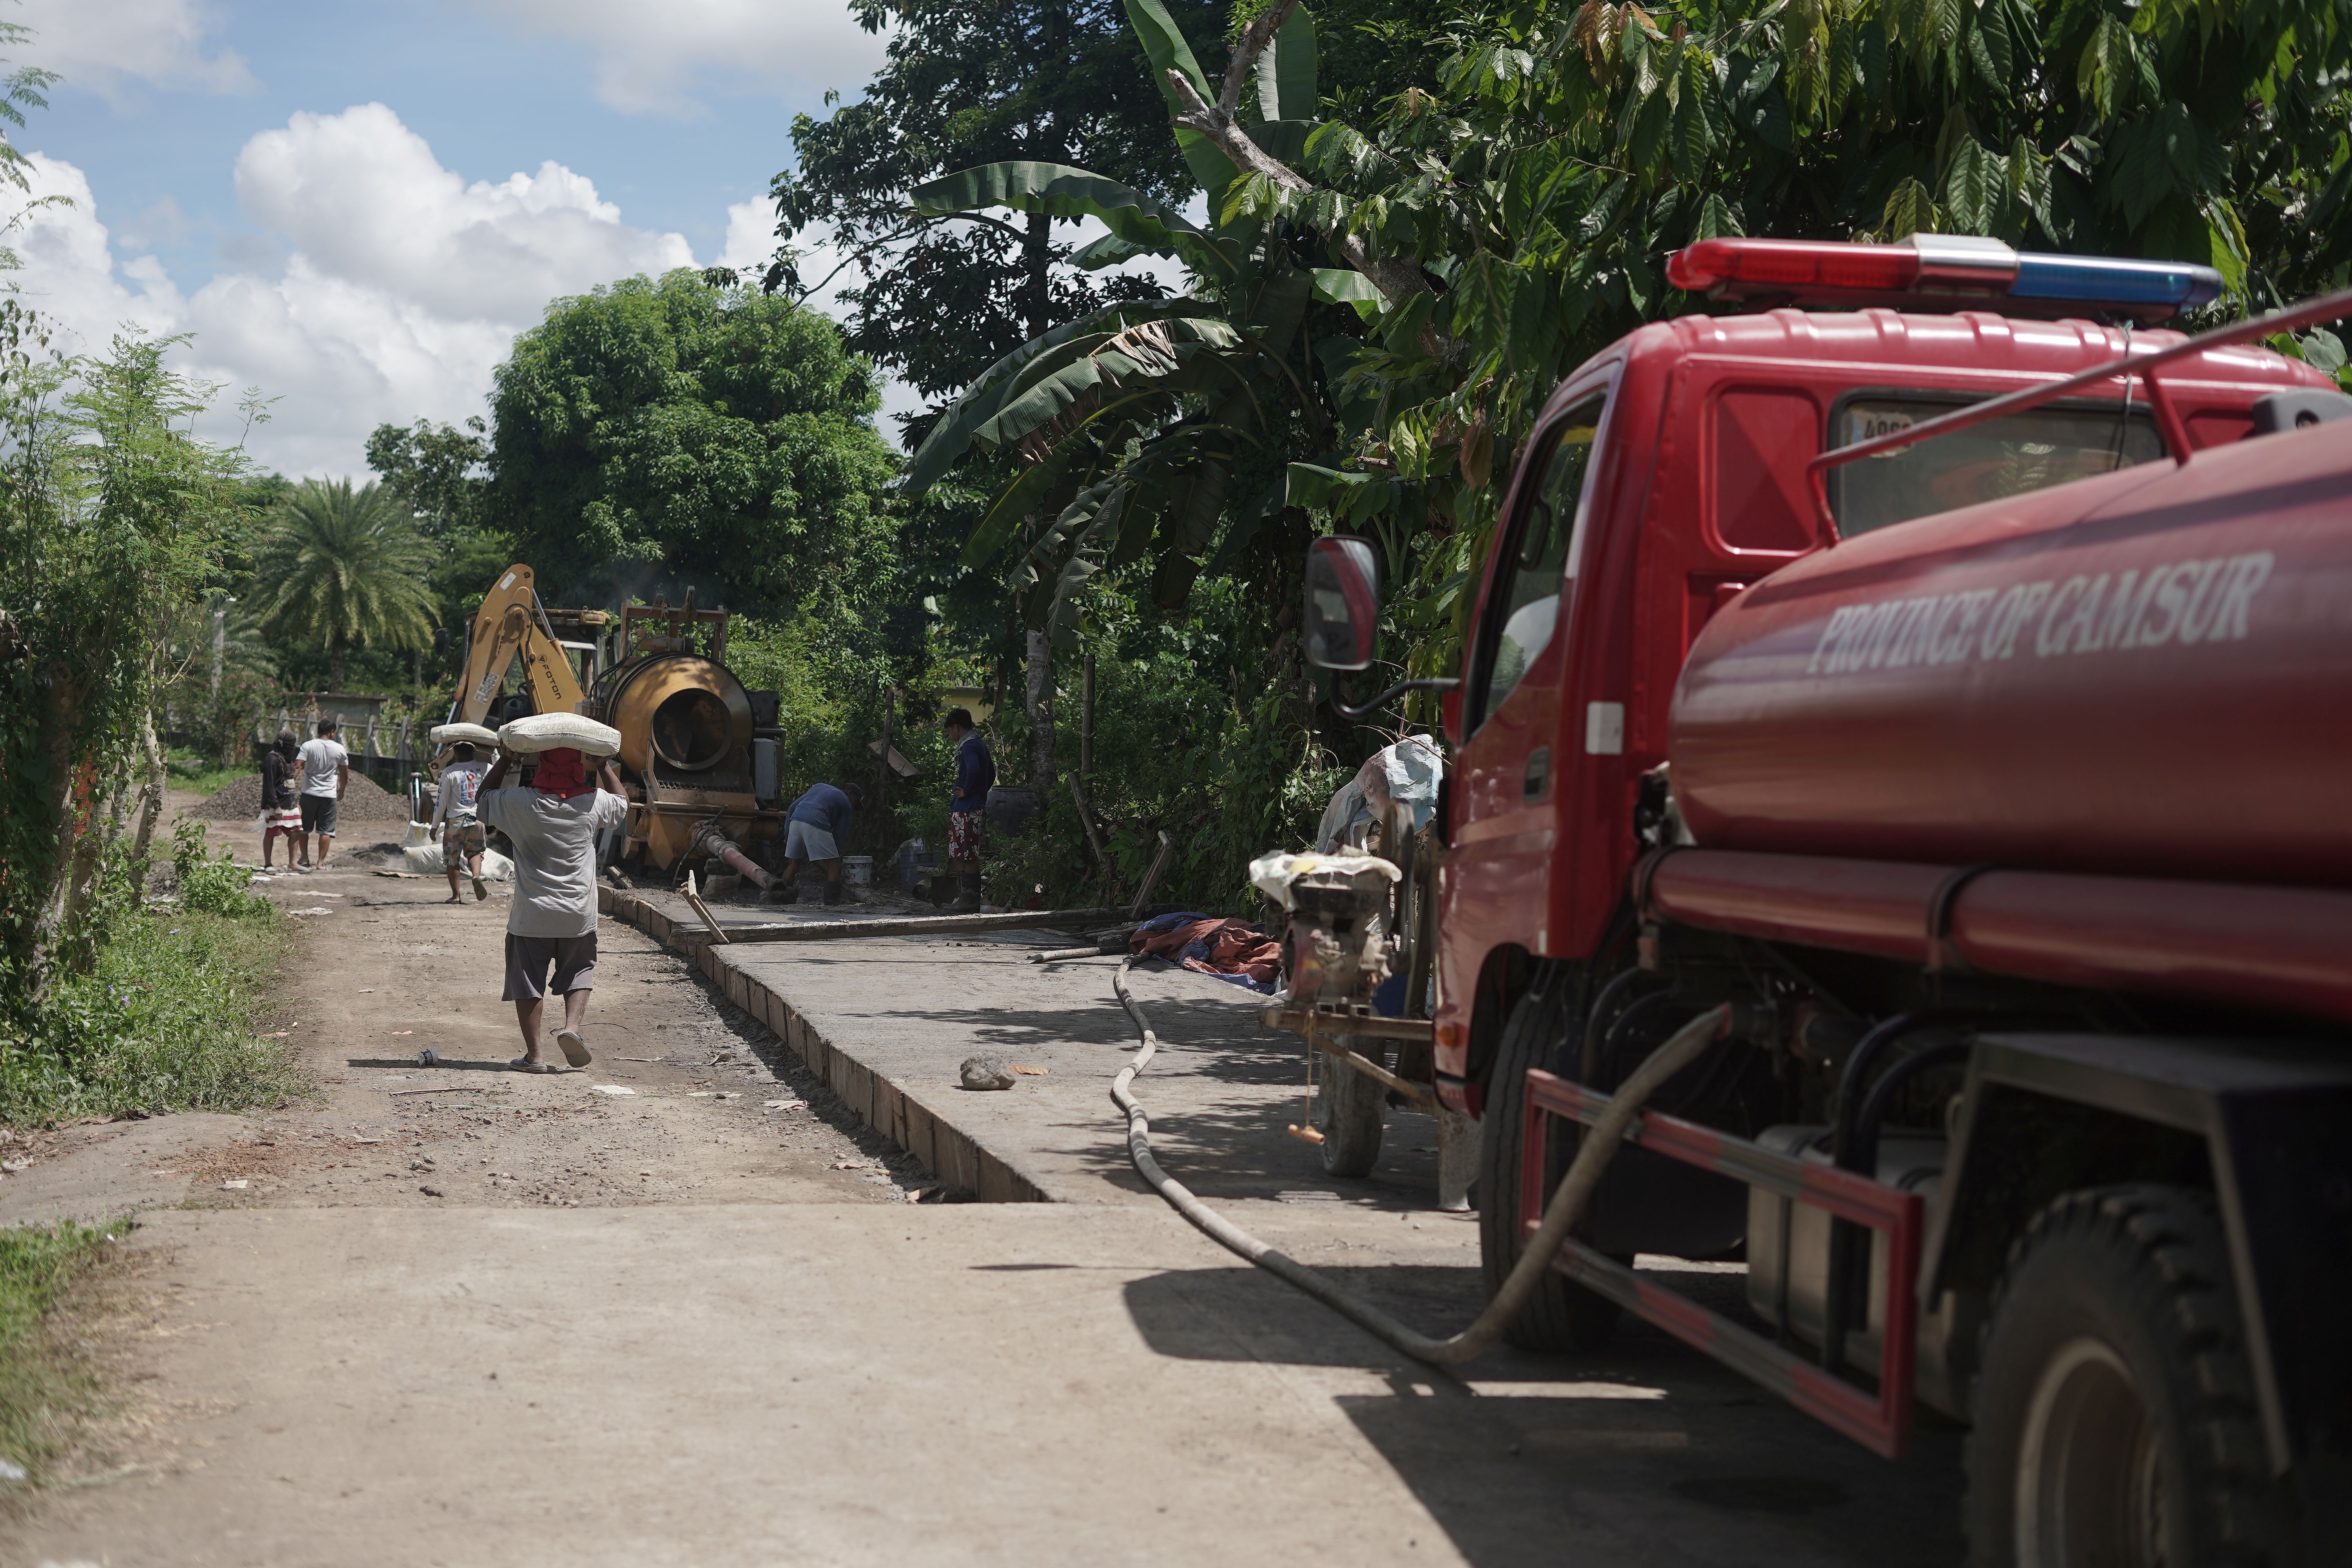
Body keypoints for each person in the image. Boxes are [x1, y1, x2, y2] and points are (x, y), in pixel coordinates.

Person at [474, 744, 627, 1073]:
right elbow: (622, 805)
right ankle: (572, 1028)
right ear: (578, 767)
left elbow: (482, 801)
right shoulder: (594, 801)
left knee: (527, 980)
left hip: (532, 914)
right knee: (580, 970)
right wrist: (603, 766)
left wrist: (506, 759)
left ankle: (535, 1057)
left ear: (541, 765)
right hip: (578, 913)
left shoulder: (519, 802)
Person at [780, 780, 863, 906]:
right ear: (851, 793)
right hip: (816, 820)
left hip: (795, 821)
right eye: (856, 802)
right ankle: (831, 906)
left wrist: (787, 834)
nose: (853, 807)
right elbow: (839, 835)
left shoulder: (818, 787)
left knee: (793, 864)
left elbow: (792, 808)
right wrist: (833, 860)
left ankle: (780, 898)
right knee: (835, 866)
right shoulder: (846, 803)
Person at [943, 708, 994, 912]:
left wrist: (969, 791)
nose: (951, 736)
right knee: (959, 852)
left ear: (956, 727)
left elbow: (974, 769)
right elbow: (991, 772)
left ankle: (971, 900)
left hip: (969, 809)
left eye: (950, 731)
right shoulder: (978, 743)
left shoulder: (970, 745)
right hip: (965, 808)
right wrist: (981, 792)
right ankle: (965, 898)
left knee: (969, 853)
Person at [431, 740, 491, 904]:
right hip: (477, 819)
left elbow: (441, 802)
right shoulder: (486, 768)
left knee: (452, 859)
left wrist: (434, 827)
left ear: (455, 754)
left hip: (455, 821)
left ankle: (456, 896)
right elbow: (500, 764)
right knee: (476, 852)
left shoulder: (449, 772)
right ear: (474, 752)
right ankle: (476, 877)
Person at [294, 719, 349, 871]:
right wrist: (342, 790)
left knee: (304, 828)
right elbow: (345, 773)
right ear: (332, 733)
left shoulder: (308, 746)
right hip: (329, 795)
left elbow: (298, 766)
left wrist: (290, 784)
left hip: (309, 793)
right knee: (326, 830)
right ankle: (320, 863)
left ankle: (304, 858)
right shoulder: (339, 749)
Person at [258, 730, 301, 869]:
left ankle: (293, 863)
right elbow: (269, 785)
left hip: (290, 804)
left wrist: (296, 803)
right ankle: (268, 864)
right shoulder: (272, 759)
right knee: (271, 832)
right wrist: (276, 805)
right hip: (277, 804)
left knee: (296, 831)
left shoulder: (286, 758)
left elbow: (289, 781)